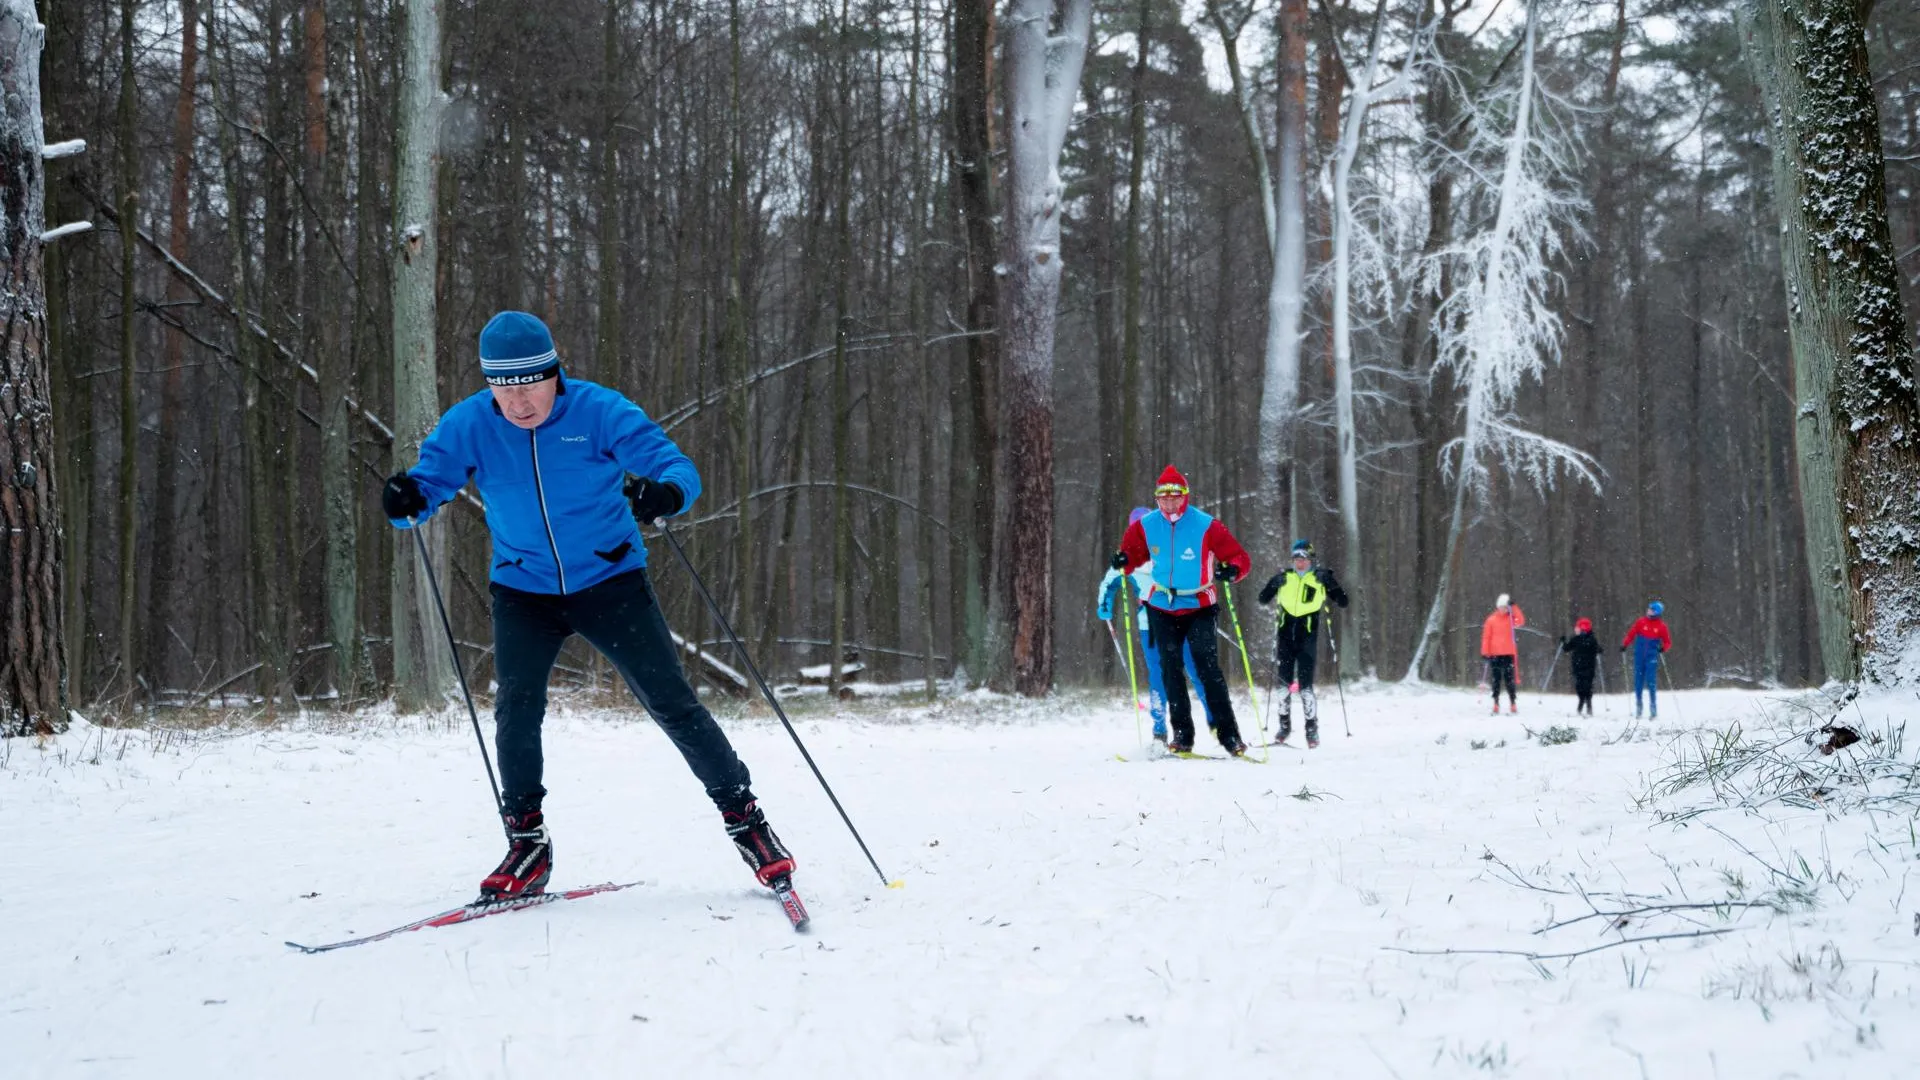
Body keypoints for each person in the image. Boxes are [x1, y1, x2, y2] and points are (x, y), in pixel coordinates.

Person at [380, 310, 795, 902]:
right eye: (503, 386)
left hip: (610, 582)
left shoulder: (600, 411)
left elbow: (676, 467)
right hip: (523, 588)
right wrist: (407, 497)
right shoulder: (470, 423)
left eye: (528, 384)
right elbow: (429, 484)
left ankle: (747, 822)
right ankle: (527, 844)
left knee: (672, 704)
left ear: (554, 374)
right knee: (516, 710)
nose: (517, 402)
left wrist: (667, 492)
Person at [1112, 466, 1252, 756]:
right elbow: (1133, 553)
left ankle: (1230, 737)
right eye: (1163, 499)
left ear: (1185, 497)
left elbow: (1239, 557)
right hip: (1162, 605)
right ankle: (1183, 736)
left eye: (1175, 498)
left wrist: (1232, 570)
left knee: (1206, 667)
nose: (1169, 504)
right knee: (1170, 669)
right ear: (1157, 499)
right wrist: (1125, 559)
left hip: (1199, 604)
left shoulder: (1206, 524)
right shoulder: (1146, 525)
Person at [1097, 508, 1215, 743]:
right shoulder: (1128, 558)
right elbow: (1108, 584)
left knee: (1196, 670)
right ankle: (1160, 729)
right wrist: (1105, 608)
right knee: (1161, 675)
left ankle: (1217, 723)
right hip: (1151, 623)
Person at [1255, 539, 1348, 748]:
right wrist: (1273, 584)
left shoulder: (1319, 578)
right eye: (1297, 558)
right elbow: (1262, 598)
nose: (1300, 563)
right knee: (1283, 687)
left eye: (1304, 559)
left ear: (1311, 560)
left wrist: (1331, 582)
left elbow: (1343, 601)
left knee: (1305, 688)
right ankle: (1284, 726)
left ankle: (1311, 729)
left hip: (1308, 636)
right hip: (1285, 636)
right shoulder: (1284, 578)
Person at [1620, 600, 1672, 719]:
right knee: (1638, 682)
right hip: (1639, 657)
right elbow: (1631, 634)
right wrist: (1625, 644)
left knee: (1651, 682)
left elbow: (1667, 642)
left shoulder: (1661, 626)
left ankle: (1653, 707)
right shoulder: (1641, 622)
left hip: (1651, 658)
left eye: (1651, 610)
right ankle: (1639, 706)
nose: (1648, 611)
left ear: (1657, 612)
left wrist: (1663, 648)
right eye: (1648, 609)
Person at [1481, 594, 1525, 715]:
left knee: (1509, 679)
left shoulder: (1511, 618)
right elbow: (1486, 637)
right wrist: (1485, 652)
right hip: (1495, 654)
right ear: (1497, 607)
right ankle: (1496, 702)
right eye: (1501, 607)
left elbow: (1521, 621)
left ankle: (1513, 702)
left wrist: (1514, 607)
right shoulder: (1491, 619)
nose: (1503, 609)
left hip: (1508, 653)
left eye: (1505, 607)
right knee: (1496, 679)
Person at [1557, 618, 1602, 717]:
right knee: (1579, 686)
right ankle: (1581, 702)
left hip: (1589, 667)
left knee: (1588, 686)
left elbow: (1597, 649)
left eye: (1578, 628)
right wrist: (1563, 642)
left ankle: (1588, 704)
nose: (1576, 629)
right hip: (1578, 667)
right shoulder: (1576, 639)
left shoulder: (1591, 639)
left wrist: (1598, 649)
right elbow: (1567, 648)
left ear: (1583, 628)